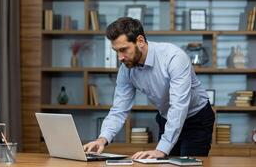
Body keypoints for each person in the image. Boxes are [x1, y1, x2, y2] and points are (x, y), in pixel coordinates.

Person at [83, 17, 215, 159]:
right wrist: (102, 139)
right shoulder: (126, 69)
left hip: (196, 118)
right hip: (166, 118)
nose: (120, 57)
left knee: (186, 163)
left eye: (123, 50)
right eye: (116, 51)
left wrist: (162, 150)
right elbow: (119, 109)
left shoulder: (174, 57)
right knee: (163, 164)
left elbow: (179, 106)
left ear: (140, 41)